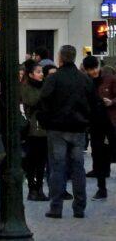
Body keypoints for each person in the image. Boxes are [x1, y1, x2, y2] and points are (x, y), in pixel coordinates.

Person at [38, 45, 97, 219]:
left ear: (61, 58)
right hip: (78, 128)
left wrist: (46, 120)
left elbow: (44, 100)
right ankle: (79, 207)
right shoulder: (84, 79)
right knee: (78, 168)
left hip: (57, 128)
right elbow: (93, 102)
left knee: (57, 168)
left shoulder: (54, 79)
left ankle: (56, 206)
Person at [82, 54, 116, 200]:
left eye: (95, 68)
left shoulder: (110, 79)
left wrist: (112, 102)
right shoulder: (86, 82)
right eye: (91, 69)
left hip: (111, 121)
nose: (94, 71)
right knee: (98, 155)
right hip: (95, 123)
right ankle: (101, 188)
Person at [19, 59, 47, 201]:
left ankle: (40, 188)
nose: (41, 74)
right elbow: (31, 101)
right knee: (32, 160)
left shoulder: (45, 86)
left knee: (42, 161)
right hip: (32, 128)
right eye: (38, 72)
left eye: (41, 72)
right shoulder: (26, 87)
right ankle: (32, 188)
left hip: (44, 128)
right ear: (30, 74)